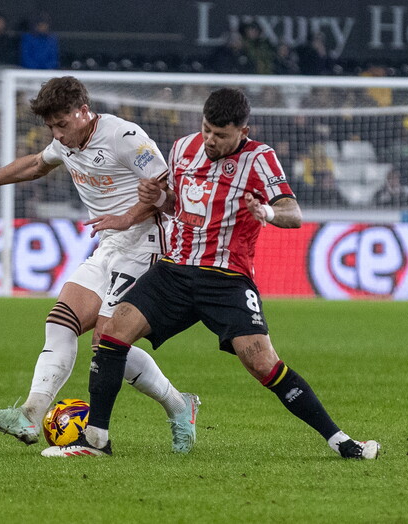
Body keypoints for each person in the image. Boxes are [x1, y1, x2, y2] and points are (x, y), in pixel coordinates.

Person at [41, 88, 380, 459]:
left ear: (242, 131)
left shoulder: (259, 158)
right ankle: (95, 442)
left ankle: (342, 442)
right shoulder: (183, 148)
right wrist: (157, 198)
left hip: (226, 279)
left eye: (221, 135)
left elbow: (293, 213)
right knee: (113, 333)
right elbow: (175, 202)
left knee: (263, 363)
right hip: (176, 270)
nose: (210, 141)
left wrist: (266, 213)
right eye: (207, 130)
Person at [0, 76, 200, 453]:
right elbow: (33, 165)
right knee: (60, 323)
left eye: (62, 124)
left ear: (83, 111)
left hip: (147, 244)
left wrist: (128, 217)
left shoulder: (125, 137)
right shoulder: (66, 142)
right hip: (109, 245)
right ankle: (29, 413)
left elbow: (167, 189)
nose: (57, 134)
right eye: (51, 127)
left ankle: (171, 409)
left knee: (106, 344)